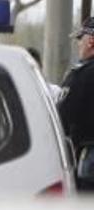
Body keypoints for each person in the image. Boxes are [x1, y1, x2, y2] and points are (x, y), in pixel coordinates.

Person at [59, 18, 94, 191]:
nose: (78, 44)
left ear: (91, 42)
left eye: (80, 39)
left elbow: (61, 118)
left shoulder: (81, 75)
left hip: (89, 159)